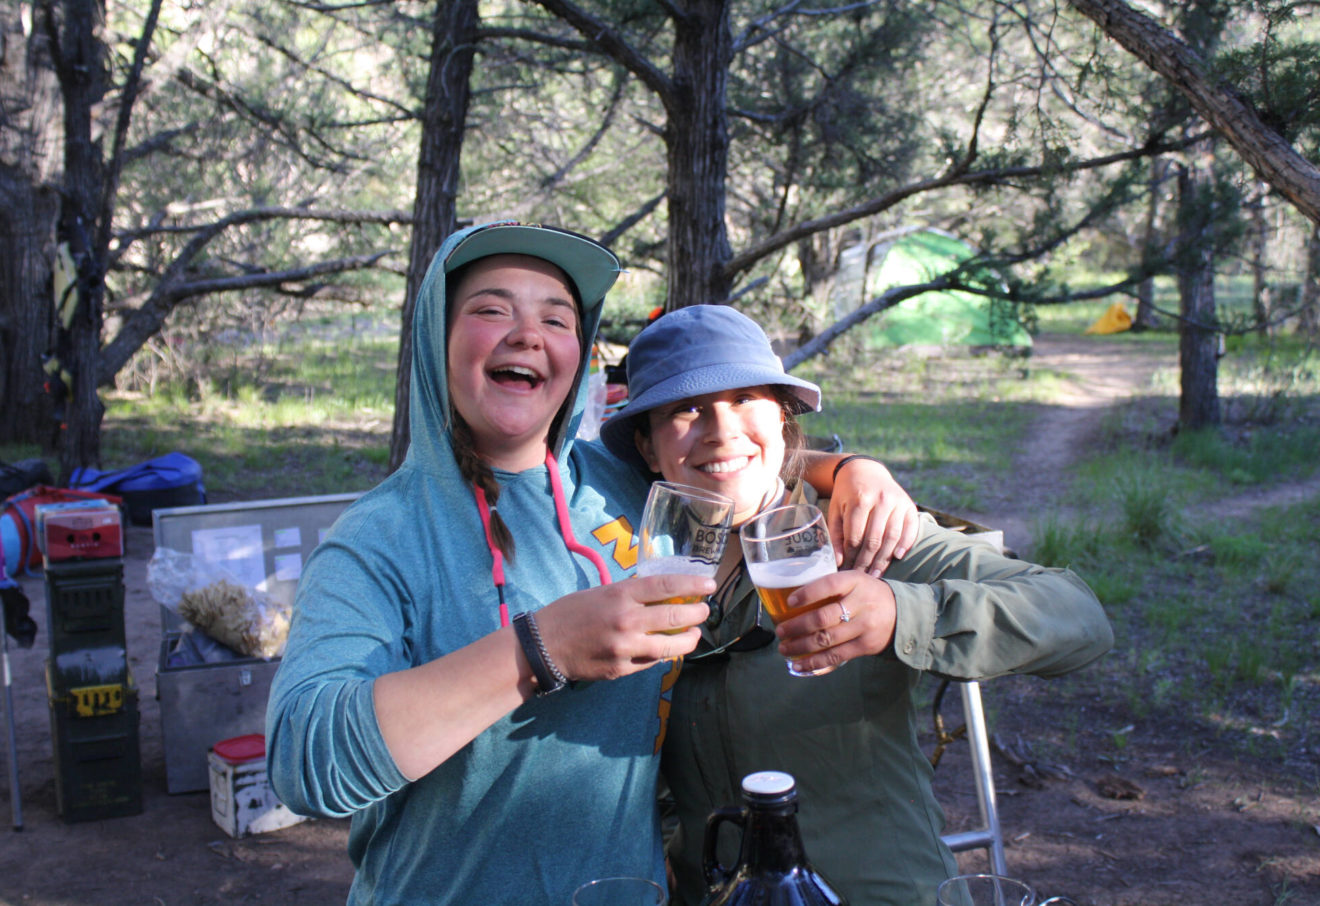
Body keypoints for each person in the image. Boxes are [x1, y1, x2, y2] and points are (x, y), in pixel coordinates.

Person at [265, 222, 917, 906]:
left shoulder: (628, 487)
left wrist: (847, 470)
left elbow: (728, 457)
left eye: (557, 317)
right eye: (491, 310)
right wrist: (541, 650)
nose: (527, 334)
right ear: (436, 340)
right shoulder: (377, 539)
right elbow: (307, 763)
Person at [599, 304, 1115, 906]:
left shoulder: (858, 531)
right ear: (647, 446)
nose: (721, 429)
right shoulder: (625, 555)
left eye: (745, 398)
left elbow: (1078, 616)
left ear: (785, 418)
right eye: (685, 409)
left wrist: (902, 614)